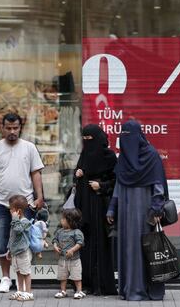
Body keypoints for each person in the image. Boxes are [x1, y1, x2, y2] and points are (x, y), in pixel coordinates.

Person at [0, 113, 44, 293]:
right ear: (1, 128)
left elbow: (36, 173)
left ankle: (21, 276)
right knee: (2, 241)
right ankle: (5, 278)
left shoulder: (29, 148)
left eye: (15, 128)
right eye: (8, 128)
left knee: (24, 241)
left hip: (25, 204)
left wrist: (40, 196)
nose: (12, 131)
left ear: (20, 127)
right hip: (1, 203)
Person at [107, 120, 167, 301]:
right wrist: (112, 209)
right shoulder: (124, 158)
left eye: (128, 136)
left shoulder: (152, 156)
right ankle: (129, 288)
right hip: (126, 213)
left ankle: (144, 289)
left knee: (144, 249)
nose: (125, 140)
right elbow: (119, 184)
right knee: (128, 248)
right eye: (122, 135)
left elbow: (158, 185)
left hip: (144, 213)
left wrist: (156, 209)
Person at [73, 124, 118, 295]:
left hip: (101, 207)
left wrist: (102, 185)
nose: (87, 143)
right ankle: (85, 282)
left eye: (89, 139)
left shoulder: (110, 156)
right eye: (84, 139)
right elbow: (78, 176)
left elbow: (117, 182)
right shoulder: (84, 154)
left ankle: (102, 284)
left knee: (101, 244)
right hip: (84, 207)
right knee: (85, 243)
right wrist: (77, 174)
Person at [52, 209, 86, 299]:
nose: (61, 220)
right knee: (63, 276)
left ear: (70, 221)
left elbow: (80, 243)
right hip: (62, 259)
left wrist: (72, 250)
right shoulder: (60, 231)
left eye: (63, 219)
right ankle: (63, 291)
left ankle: (79, 291)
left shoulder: (76, 232)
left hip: (74, 260)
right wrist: (55, 246)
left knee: (76, 276)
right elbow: (55, 240)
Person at [7, 195, 34, 301]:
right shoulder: (15, 222)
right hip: (15, 252)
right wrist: (9, 249)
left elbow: (18, 231)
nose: (9, 211)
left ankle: (28, 293)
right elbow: (12, 237)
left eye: (11, 209)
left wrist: (15, 219)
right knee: (18, 271)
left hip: (23, 252)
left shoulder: (25, 222)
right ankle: (20, 290)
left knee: (26, 272)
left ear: (18, 211)